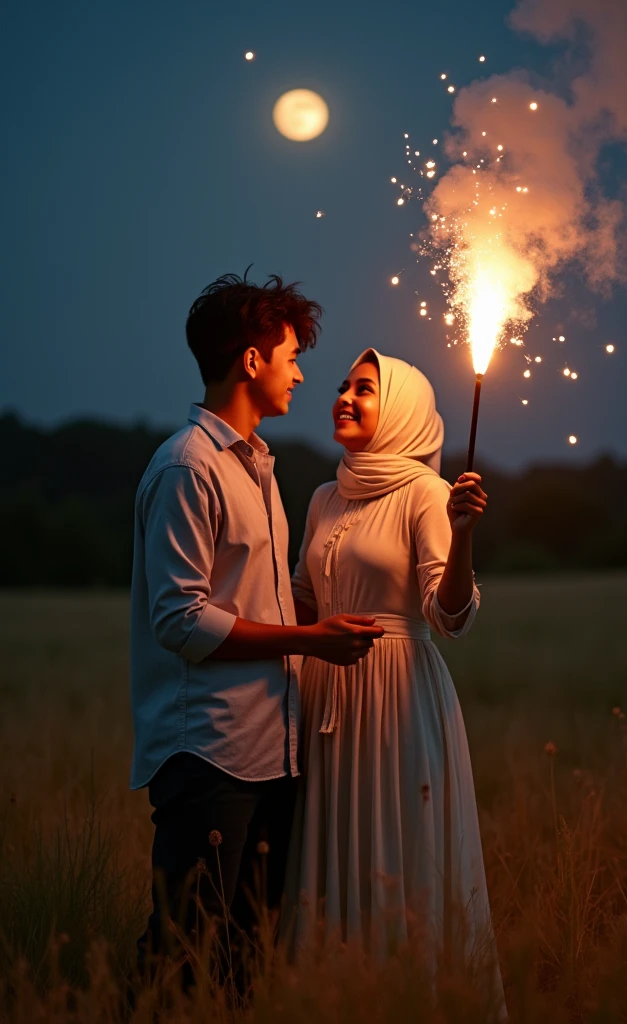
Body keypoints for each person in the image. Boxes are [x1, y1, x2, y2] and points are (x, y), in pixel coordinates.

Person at [130, 273, 383, 985]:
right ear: (251, 360)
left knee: (245, 958)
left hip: (274, 752)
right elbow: (180, 620)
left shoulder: (259, 469)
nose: (300, 373)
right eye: (290, 356)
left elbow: (264, 601)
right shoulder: (189, 467)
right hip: (210, 753)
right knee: (183, 950)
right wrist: (311, 641)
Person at [284, 347, 505, 1015]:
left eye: (367, 390)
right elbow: (300, 603)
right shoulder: (325, 495)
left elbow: (451, 616)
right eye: (344, 386)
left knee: (393, 855)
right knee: (327, 858)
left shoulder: (426, 493)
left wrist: (462, 534)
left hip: (398, 700)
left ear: (402, 412)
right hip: (324, 692)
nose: (346, 397)